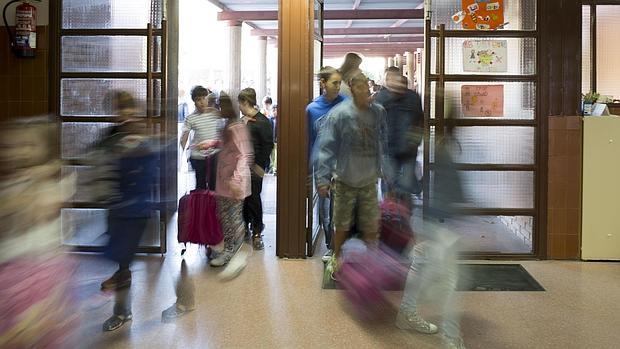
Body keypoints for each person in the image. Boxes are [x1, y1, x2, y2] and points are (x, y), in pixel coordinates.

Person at [0, 117, 78, 347]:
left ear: (45, 149)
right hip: (9, 270)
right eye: (9, 147)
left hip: (39, 271)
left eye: (28, 145)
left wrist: (37, 177)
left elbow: (39, 209)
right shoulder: (9, 185)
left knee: (29, 333)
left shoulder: (53, 185)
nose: (17, 152)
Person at [314, 72, 392, 277]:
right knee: (341, 222)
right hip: (344, 178)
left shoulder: (378, 112)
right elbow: (326, 148)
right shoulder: (339, 114)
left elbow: (383, 142)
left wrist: (386, 170)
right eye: (360, 87)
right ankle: (336, 257)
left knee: (371, 222)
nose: (365, 90)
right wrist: (322, 180)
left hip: (368, 179)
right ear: (352, 89)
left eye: (367, 86)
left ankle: (372, 260)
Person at [95, 91, 161, 331]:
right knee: (119, 259)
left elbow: (149, 172)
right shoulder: (111, 135)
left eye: (126, 108)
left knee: (122, 261)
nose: (122, 114)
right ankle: (121, 301)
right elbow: (99, 162)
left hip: (136, 211)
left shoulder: (141, 137)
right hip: (116, 208)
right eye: (118, 109)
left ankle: (122, 312)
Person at [196, 92, 253, 266]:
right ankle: (229, 249)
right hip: (224, 181)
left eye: (214, 106)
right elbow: (227, 146)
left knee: (233, 218)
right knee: (224, 217)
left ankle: (233, 251)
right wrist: (211, 143)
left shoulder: (237, 127)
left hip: (234, 182)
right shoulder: (227, 126)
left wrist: (236, 181)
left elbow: (245, 155)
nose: (211, 109)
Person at [306, 66, 347, 261]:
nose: (338, 87)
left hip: (343, 165)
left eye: (340, 82)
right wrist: (309, 168)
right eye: (334, 82)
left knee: (339, 209)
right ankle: (331, 244)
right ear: (323, 83)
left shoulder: (346, 104)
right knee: (325, 209)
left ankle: (336, 247)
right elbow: (310, 141)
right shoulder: (312, 109)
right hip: (322, 166)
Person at [374, 68, 424, 205]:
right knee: (390, 184)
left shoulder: (413, 97)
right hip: (387, 150)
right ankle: (389, 215)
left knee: (405, 186)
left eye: (396, 78)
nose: (395, 82)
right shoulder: (380, 98)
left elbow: (420, 121)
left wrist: (415, 141)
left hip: (408, 150)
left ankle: (404, 216)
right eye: (390, 79)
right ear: (387, 81)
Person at [238, 88, 274, 250]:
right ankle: (244, 227)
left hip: (255, 168)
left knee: (253, 199)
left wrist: (260, 166)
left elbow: (267, 146)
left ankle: (257, 230)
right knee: (243, 199)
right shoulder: (242, 120)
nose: (239, 106)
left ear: (246, 102)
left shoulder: (263, 122)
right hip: (240, 167)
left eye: (240, 103)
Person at [180, 86, 223, 191]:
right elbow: (184, 137)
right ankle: (201, 206)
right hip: (198, 156)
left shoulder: (215, 113)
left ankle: (212, 206)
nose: (202, 102)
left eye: (204, 98)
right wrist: (183, 153)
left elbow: (223, 130)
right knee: (200, 185)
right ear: (194, 101)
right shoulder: (191, 118)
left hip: (214, 154)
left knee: (214, 185)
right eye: (199, 99)